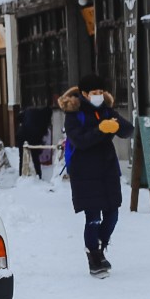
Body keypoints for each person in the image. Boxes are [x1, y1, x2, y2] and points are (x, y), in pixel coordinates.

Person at [60, 74, 133, 276]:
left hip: (107, 170)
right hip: (84, 173)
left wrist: (118, 125)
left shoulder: (107, 111)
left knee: (113, 214)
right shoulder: (74, 114)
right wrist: (100, 130)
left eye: (101, 92)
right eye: (94, 93)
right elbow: (81, 141)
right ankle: (94, 256)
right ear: (84, 94)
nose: (99, 96)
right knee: (93, 217)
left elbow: (129, 130)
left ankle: (100, 247)